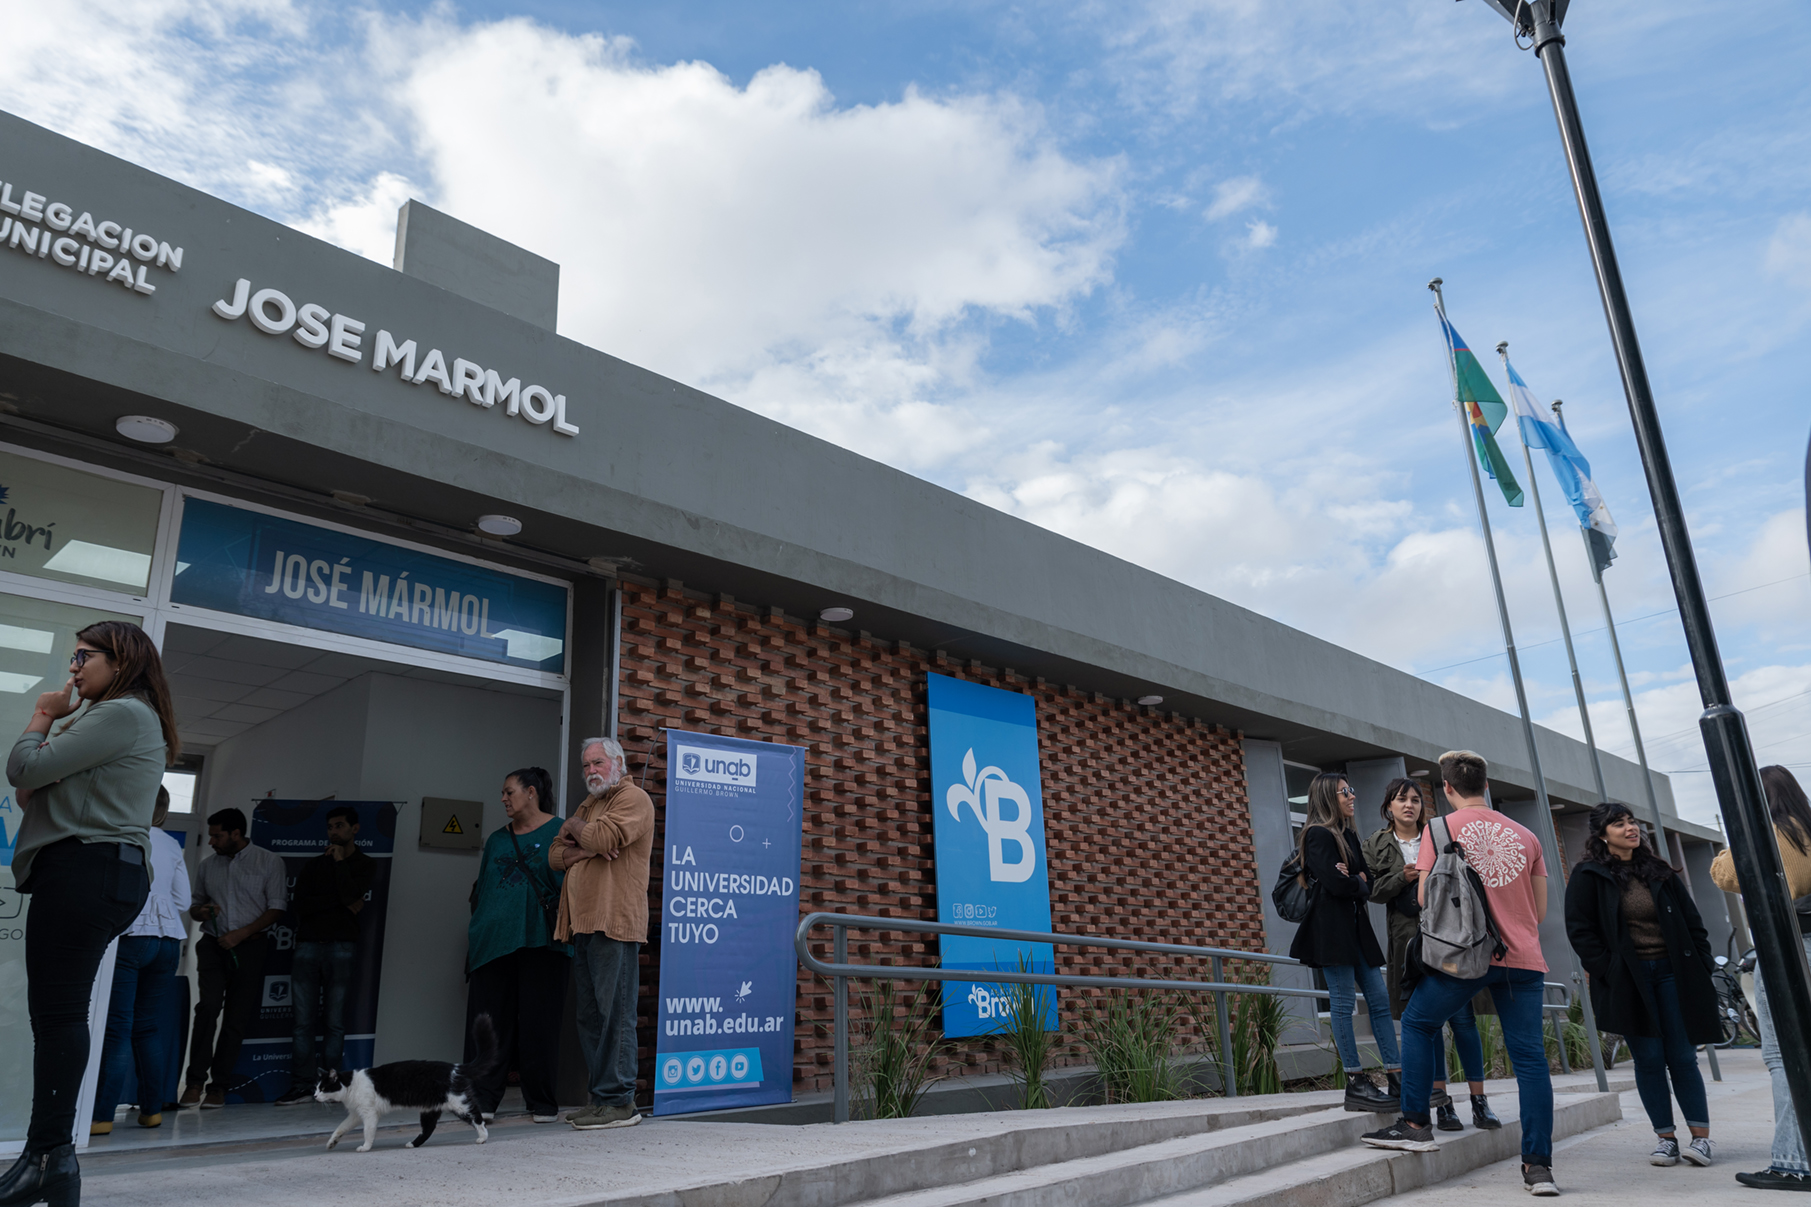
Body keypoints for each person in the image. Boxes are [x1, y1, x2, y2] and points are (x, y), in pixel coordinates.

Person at [0, 621, 179, 1207]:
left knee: (57, 1017)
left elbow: (22, 770)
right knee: (58, 1014)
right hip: (98, 871)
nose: (73, 669)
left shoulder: (121, 712)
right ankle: (49, 1162)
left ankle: (47, 1160)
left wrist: (42, 715)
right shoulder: (120, 717)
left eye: (83, 656)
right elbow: (32, 792)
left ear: (120, 660)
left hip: (86, 867)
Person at [1363, 750, 1560, 1198]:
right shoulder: (1527, 836)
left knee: (1419, 1022)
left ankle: (1416, 1124)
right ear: (1486, 785)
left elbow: (1427, 899)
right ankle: (1538, 1168)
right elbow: (1539, 912)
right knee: (1530, 1060)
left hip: (1464, 958)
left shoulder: (1440, 829)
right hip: (1523, 959)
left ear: (1447, 788)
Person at [1565, 801, 1719, 1168]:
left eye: (1632, 821)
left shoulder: (1659, 871)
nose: (1630, 828)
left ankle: (1701, 1139)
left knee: (1682, 1056)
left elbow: (1693, 922)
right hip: (1629, 979)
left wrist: (1702, 963)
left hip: (1674, 973)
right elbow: (1580, 931)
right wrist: (1609, 970)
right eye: (1619, 823)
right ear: (1603, 834)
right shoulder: (1588, 875)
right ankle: (1665, 1139)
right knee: (1648, 1059)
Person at [1362, 777, 1498, 1132]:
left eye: (1415, 800)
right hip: (1410, 941)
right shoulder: (1375, 843)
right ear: (1388, 806)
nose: (1409, 805)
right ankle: (1444, 1105)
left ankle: (1480, 1102)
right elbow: (1370, 890)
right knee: (1428, 1024)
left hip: (1451, 934)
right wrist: (1402, 877)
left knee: (1464, 1020)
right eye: (1401, 799)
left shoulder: (1439, 834)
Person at [1711, 765, 1811, 1192]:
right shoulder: (1807, 829)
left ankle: (1793, 1162)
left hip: (1787, 948)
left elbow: (1724, 873)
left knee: (1784, 1055)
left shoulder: (1768, 835)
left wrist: (1738, 832)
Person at [550, 737, 654, 1130]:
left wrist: (575, 829)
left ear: (618, 763)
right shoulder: (590, 805)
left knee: (616, 1015)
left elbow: (601, 839)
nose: (590, 771)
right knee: (590, 1018)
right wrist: (583, 845)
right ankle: (601, 1099)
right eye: (586, 765)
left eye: (597, 762)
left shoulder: (633, 798)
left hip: (615, 922)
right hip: (582, 923)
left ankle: (620, 1102)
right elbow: (553, 856)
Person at [1288, 772, 1401, 1112]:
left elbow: (1369, 881)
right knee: (1342, 1004)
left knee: (1379, 1000)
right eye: (1344, 792)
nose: (1352, 795)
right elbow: (1339, 885)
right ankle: (1356, 1081)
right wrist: (1356, 880)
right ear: (1327, 797)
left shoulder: (1349, 834)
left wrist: (1354, 878)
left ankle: (1396, 1074)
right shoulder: (1317, 835)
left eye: (1351, 790)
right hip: (1332, 931)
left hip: (1356, 930)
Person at [465, 767, 569, 1123]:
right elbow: (483, 890)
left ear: (531, 793)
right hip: (493, 944)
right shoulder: (497, 839)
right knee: (490, 1025)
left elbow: (571, 885)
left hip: (543, 942)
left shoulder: (560, 831)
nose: (503, 799)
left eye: (509, 792)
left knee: (541, 1023)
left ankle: (542, 1101)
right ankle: (482, 1100)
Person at [91, 786, 192, 1134]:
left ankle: (102, 1116)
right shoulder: (171, 843)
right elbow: (184, 901)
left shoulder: (123, 836)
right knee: (147, 1027)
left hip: (132, 935)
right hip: (169, 939)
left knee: (118, 1028)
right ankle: (152, 1111)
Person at [182, 806, 287, 1108]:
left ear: (236, 834)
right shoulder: (208, 865)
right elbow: (195, 906)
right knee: (207, 1009)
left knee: (236, 1019)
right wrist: (202, 912)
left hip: (250, 947)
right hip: (213, 945)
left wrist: (241, 934)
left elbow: (277, 908)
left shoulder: (269, 861)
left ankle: (218, 1087)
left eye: (217, 836)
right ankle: (194, 1083)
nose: (211, 841)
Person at [273, 805, 375, 1105]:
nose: (333, 831)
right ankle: (302, 1086)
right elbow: (302, 906)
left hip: (341, 946)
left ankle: (332, 1087)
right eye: (330, 827)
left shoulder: (365, 864)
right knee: (302, 1023)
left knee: (334, 1022)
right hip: (307, 945)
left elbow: (351, 894)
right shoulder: (314, 865)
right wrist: (343, 903)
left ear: (355, 829)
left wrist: (341, 865)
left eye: (339, 826)